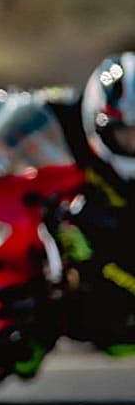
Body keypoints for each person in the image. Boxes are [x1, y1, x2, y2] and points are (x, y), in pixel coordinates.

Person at [46, 52, 135, 355]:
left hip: (111, 274)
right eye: (125, 134)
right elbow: (8, 104)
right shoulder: (65, 113)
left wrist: (94, 256)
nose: (132, 144)